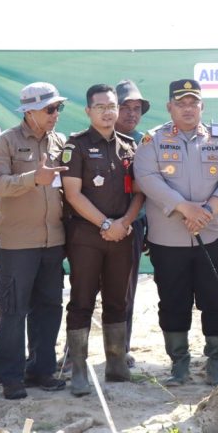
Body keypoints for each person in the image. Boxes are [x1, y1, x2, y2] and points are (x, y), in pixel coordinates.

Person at [133, 79, 218, 386]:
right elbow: (146, 177)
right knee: (172, 301)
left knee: (217, 300)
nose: (187, 108)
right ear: (170, 107)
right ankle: (179, 363)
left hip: (213, 235)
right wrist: (185, 208)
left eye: (193, 102)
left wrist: (206, 211)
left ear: (202, 107)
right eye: (180, 103)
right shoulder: (152, 141)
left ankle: (217, 361)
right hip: (168, 240)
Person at [0, 82, 69, 399]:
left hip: (52, 241)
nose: (55, 114)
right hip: (16, 243)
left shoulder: (60, 141)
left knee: (49, 307)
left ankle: (41, 370)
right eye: (49, 109)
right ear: (29, 111)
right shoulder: (6, 142)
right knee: (13, 309)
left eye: (58, 108)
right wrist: (33, 178)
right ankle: (10, 375)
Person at [61, 84, 143, 396]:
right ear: (88, 111)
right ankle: (79, 369)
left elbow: (138, 193)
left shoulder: (128, 147)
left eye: (112, 106)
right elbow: (72, 193)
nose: (108, 112)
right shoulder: (75, 146)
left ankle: (116, 364)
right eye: (101, 107)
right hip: (86, 237)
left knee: (117, 300)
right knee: (82, 301)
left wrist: (124, 223)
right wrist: (107, 223)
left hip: (121, 236)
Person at [114, 79, 150, 367]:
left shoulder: (145, 143)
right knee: (84, 292)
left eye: (136, 108)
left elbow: (148, 188)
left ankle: (120, 349)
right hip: (91, 228)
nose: (131, 114)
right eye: (125, 107)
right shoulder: (86, 140)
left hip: (132, 226)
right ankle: (72, 354)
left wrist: (144, 224)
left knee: (126, 292)